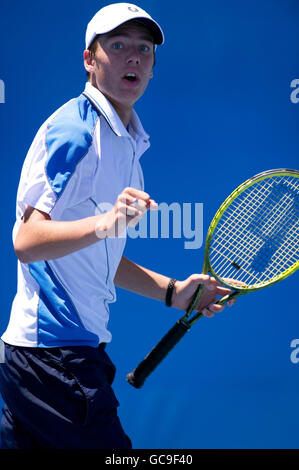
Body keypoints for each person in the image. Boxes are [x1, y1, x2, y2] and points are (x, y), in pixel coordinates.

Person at [0, 3, 235, 449]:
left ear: (152, 67)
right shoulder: (76, 132)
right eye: (118, 45)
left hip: (52, 358)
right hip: (55, 359)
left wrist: (172, 291)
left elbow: (93, 256)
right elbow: (27, 241)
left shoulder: (127, 142)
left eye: (144, 49)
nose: (133, 57)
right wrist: (108, 222)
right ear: (90, 59)